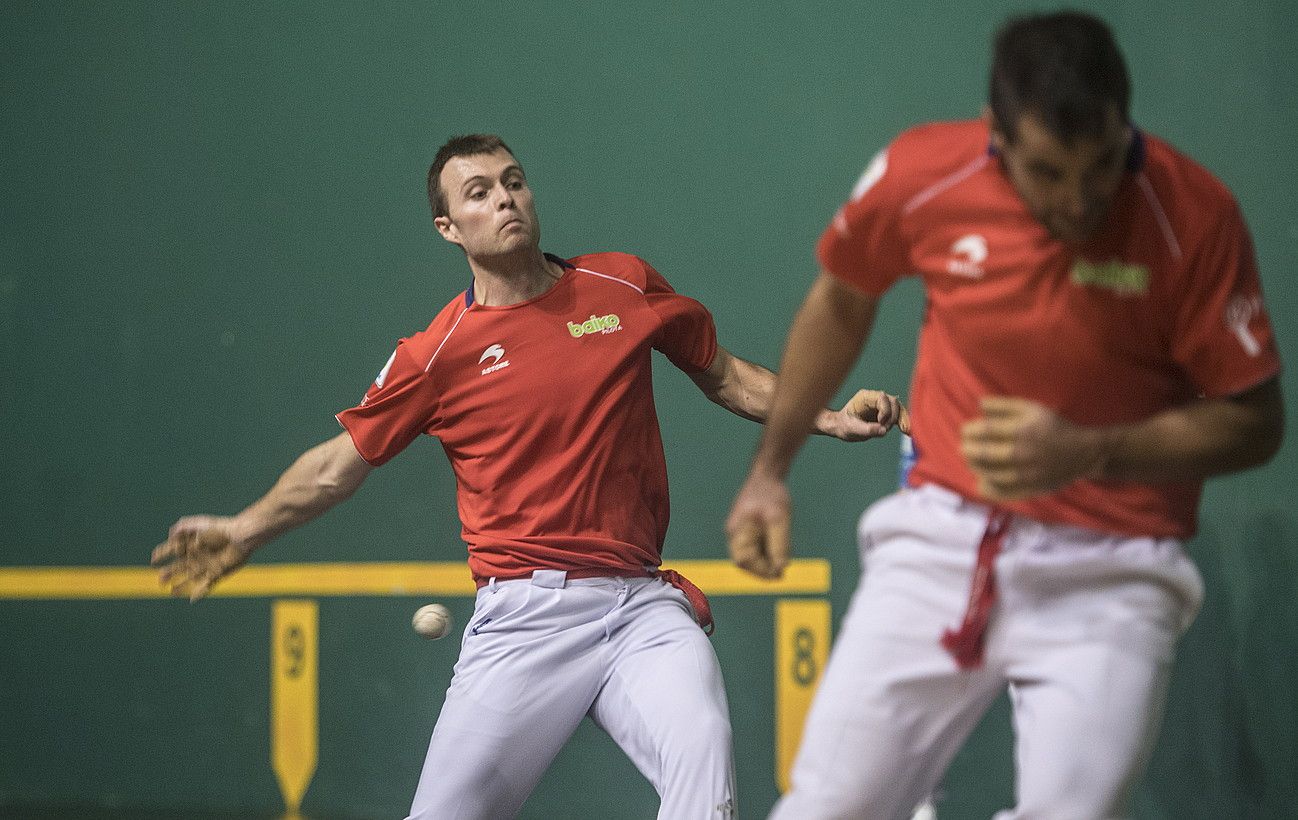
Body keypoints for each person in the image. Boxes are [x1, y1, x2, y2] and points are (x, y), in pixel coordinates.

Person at [151, 134, 909, 820]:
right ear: (449, 227)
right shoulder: (437, 354)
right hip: (523, 620)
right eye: (478, 192)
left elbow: (725, 376)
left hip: (641, 608)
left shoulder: (621, 285)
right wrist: (245, 528)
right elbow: (332, 469)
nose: (504, 198)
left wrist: (832, 416)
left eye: (513, 182)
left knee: (703, 755)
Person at [726, 11, 1284, 820]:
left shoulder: (1193, 214)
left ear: (1127, 124)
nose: (1078, 200)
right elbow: (842, 303)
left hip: (1115, 567)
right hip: (943, 539)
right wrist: (769, 473)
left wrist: (1092, 450)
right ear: (994, 136)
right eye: (1048, 172)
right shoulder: (923, 173)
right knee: (825, 806)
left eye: (1102, 167)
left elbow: (1256, 422)